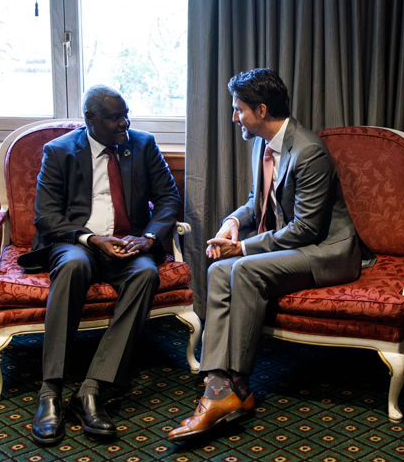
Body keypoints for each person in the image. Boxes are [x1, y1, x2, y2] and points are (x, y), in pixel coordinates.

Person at [167, 68, 361, 442]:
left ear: (261, 109)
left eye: (239, 109)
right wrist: (232, 224)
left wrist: (242, 248)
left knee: (243, 269)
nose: (235, 116)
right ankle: (222, 384)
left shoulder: (309, 153)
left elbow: (306, 229)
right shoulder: (263, 142)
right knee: (221, 270)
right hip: (295, 246)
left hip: (326, 252)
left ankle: (228, 389)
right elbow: (259, 203)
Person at [22, 85, 181, 446]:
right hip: (78, 243)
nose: (124, 123)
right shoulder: (59, 151)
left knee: (146, 273)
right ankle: (51, 390)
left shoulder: (142, 144)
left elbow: (169, 198)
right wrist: (92, 239)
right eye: (114, 117)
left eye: (126, 115)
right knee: (74, 266)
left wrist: (149, 238)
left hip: (128, 244)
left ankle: (92, 389)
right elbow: (46, 216)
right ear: (90, 119)